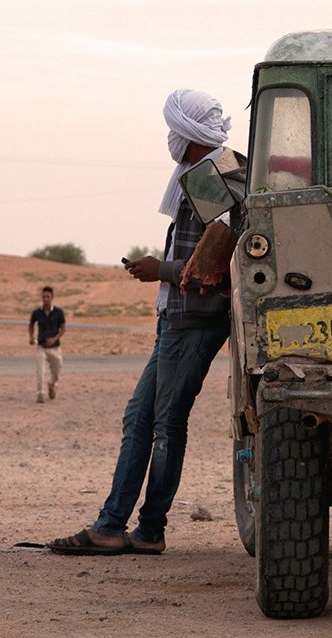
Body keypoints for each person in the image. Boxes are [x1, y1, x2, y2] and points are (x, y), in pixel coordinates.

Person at [48, 88, 244, 555]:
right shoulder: (213, 172)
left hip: (193, 320)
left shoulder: (215, 179)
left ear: (189, 134)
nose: (170, 141)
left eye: (174, 132)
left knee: (164, 423)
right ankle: (123, 525)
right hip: (178, 318)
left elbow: (223, 267)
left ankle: (131, 527)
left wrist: (162, 270)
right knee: (143, 418)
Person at [28, 285, 67, 403]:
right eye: (44, 297)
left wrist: (55, 339)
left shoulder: (59, 312)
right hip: (41, 346)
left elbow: (63, 329)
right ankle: (40, 393)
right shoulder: (36, 312)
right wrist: (31, 337)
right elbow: (31, 324)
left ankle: (51, 384)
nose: (46, 299)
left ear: (52, 297)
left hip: (55, 348)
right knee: (40, 370)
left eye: (48, 297)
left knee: (57, 371)